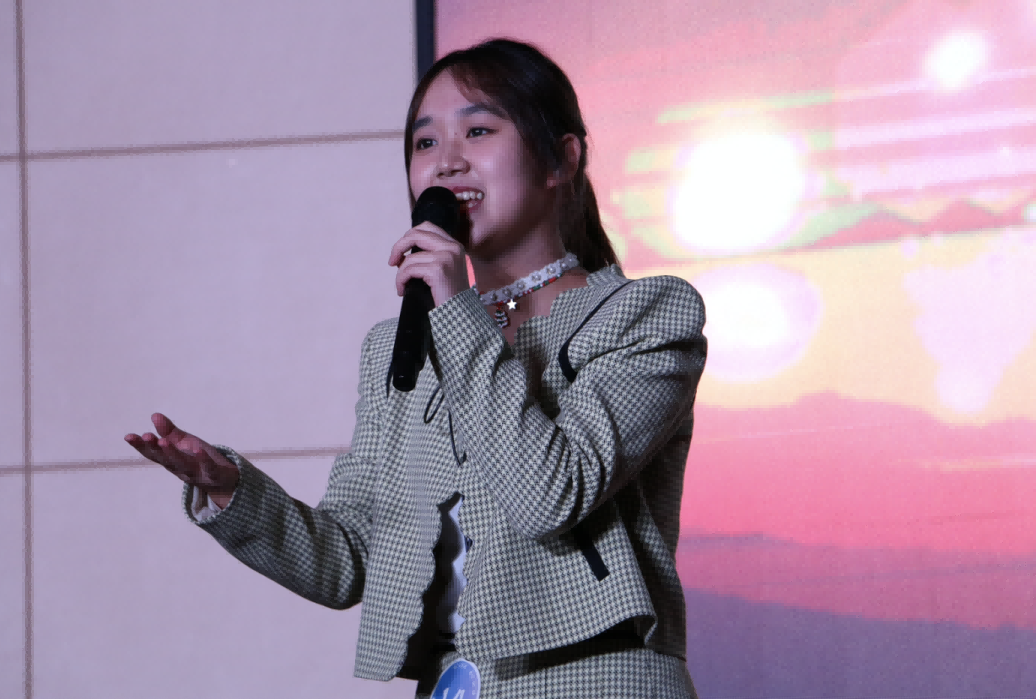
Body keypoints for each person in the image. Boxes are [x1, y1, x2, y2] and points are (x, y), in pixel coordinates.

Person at [125, 38, 707, 698]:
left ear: (561, 158)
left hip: (599, 681)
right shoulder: (396, 347)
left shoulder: (644, 314)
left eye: (479, 131)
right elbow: (349, 560)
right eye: (425, 143)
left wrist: (455, 311)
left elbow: (550, 494)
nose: (446, 161)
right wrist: (232, 490)